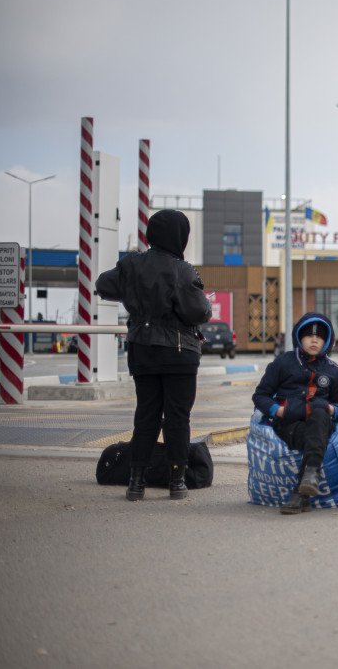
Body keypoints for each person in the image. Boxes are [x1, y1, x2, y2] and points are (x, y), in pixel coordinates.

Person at [94, 209, 212, 501]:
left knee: (146, 415)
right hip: (179, 353)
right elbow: (198, 311)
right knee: (177, 417)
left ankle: (136, 482)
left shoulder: (132, 263)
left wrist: (135, 292)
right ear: (179, 236)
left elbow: (103, 285)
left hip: (142, 351)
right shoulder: (182, 270)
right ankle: (176, 481)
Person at [252, 312, 338, 514]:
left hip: (321, 423)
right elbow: (260, 395)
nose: (314, 340)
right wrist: (277, 411)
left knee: (319, 414)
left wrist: (333, 409)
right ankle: (307, 482)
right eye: (309, 335)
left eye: (320, 336)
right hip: (289, 425)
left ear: (327, 340)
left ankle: (301, 492)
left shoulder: (333, 369)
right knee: (313, 437)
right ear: (299, 336)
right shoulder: (283, 362)